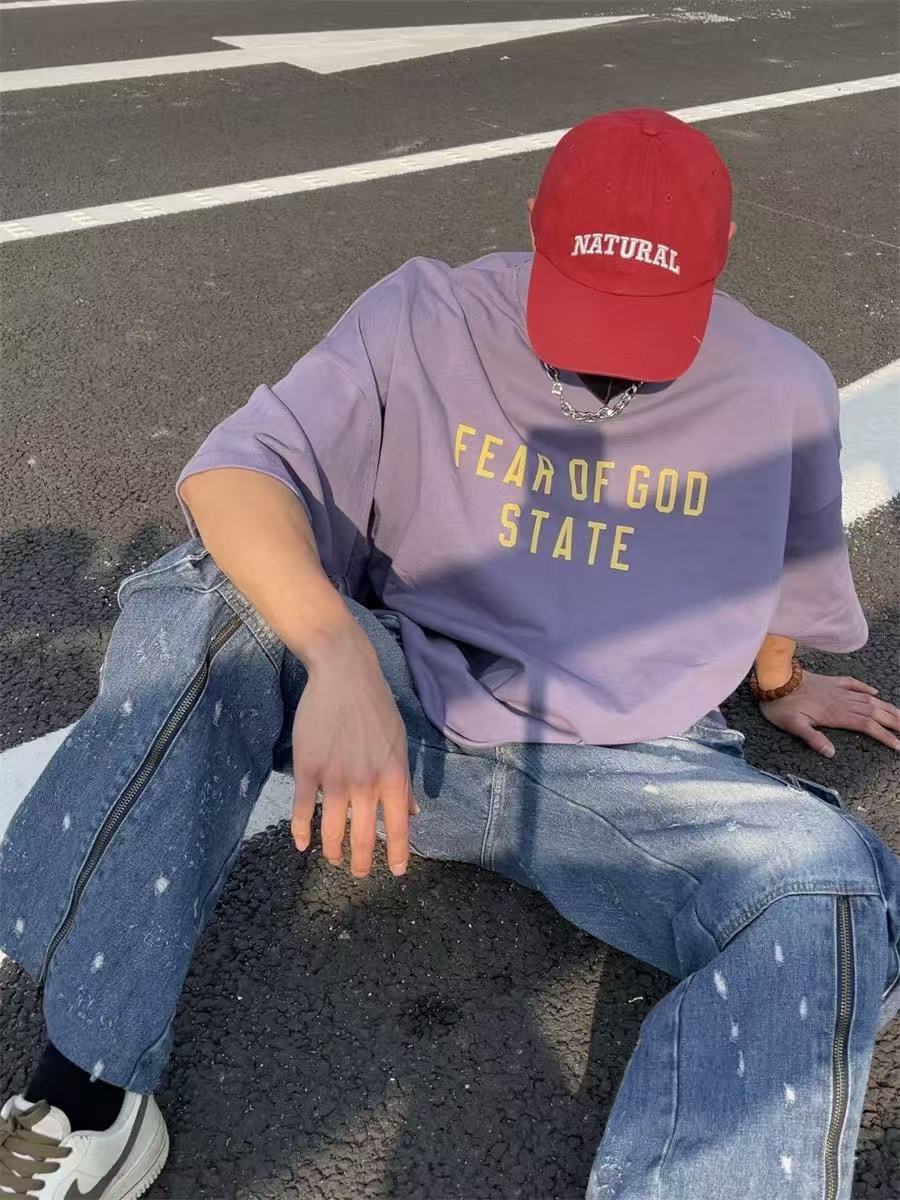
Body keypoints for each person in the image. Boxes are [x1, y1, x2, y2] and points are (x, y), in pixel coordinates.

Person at [1, 107, 898, 1200]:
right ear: (531, 226)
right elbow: (234, 475)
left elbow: (779, 572)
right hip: (402, 707)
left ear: (724, 256)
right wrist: (338, 656)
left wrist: (783, 684)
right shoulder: (425, 313)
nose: (605, 362)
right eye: (587, 303)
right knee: (204, 601)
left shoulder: (783, 389)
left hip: (635, 772)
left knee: (827, 888)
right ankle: (86, 1088)